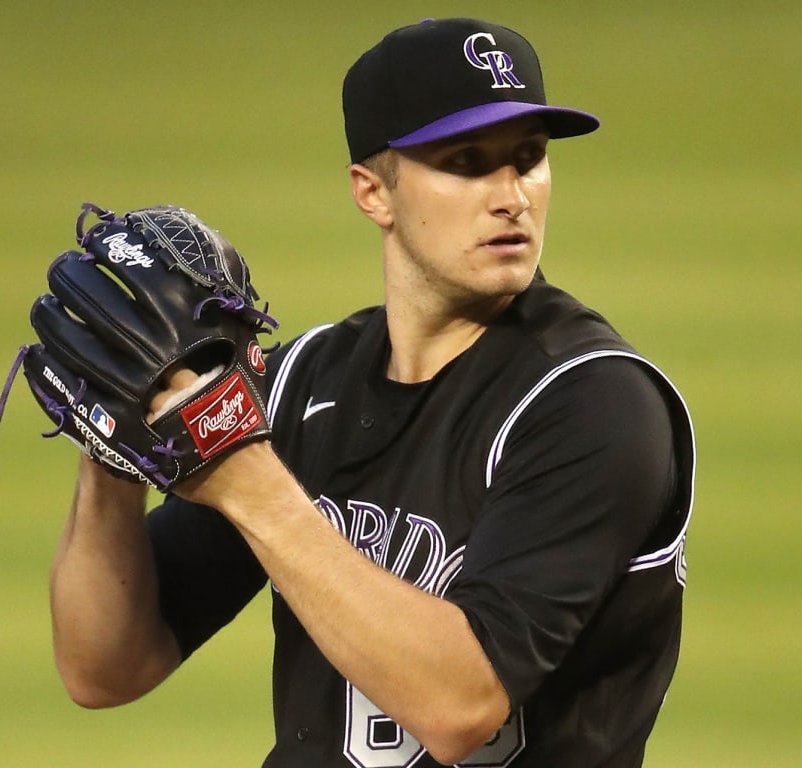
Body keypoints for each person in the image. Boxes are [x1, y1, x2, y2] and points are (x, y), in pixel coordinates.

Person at [48, 17, 695, 768]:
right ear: (373, 191)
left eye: (528, 159)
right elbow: (105, 668)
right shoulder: (305, 381)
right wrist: (113, 448)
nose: (511, 195)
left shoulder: (590, 404)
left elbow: (459, 706)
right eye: (466, 162)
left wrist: (248, 480)